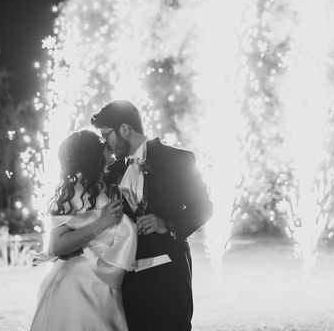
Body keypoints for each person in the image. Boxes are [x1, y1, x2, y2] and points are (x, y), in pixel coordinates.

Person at [91, 100, 213, 331]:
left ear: (124, 129)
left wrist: (167, 224)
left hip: (168, 273)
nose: (104, 142)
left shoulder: (177, 159)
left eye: (106, 135)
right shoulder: (112, 172)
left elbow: (204, 207)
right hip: (129, 279)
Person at [30, 130, 137, 331]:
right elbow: (58, 245)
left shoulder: (98, 187)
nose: (109, 147)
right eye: (103, 145)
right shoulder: (76, 190)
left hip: (100, 282)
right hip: (78, 287)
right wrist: (101, 224)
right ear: (92, 153)